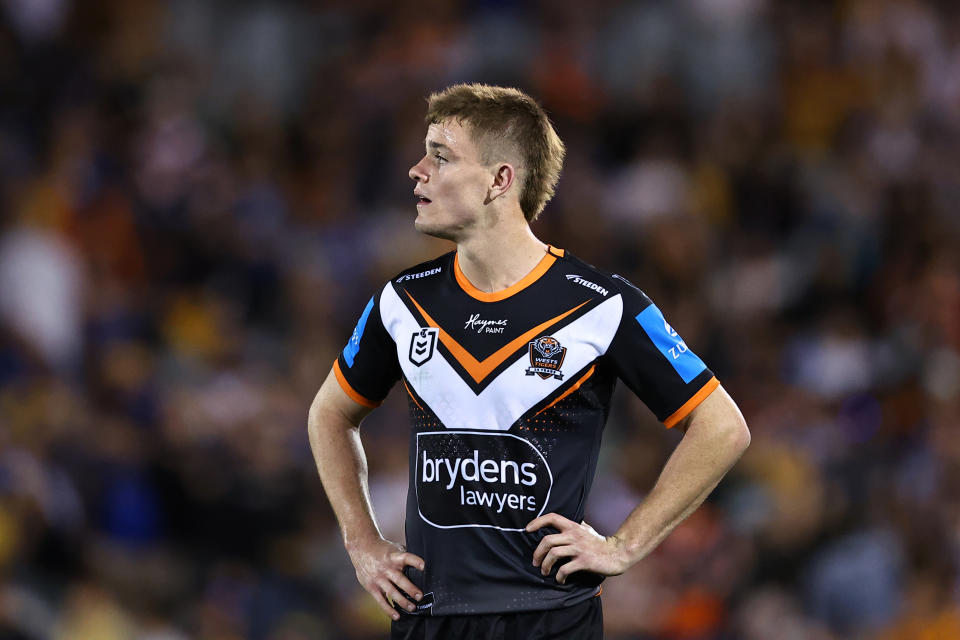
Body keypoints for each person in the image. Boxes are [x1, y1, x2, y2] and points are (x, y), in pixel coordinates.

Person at [308, 83, 751, 640]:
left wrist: (624, 545)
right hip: (428, 618)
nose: (416, 171)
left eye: (440, 156)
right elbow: (329, 414)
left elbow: (721, 428)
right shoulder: (401, 301)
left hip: (549, 620)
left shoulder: (602, 305)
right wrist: (361, 541)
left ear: (500, 180)